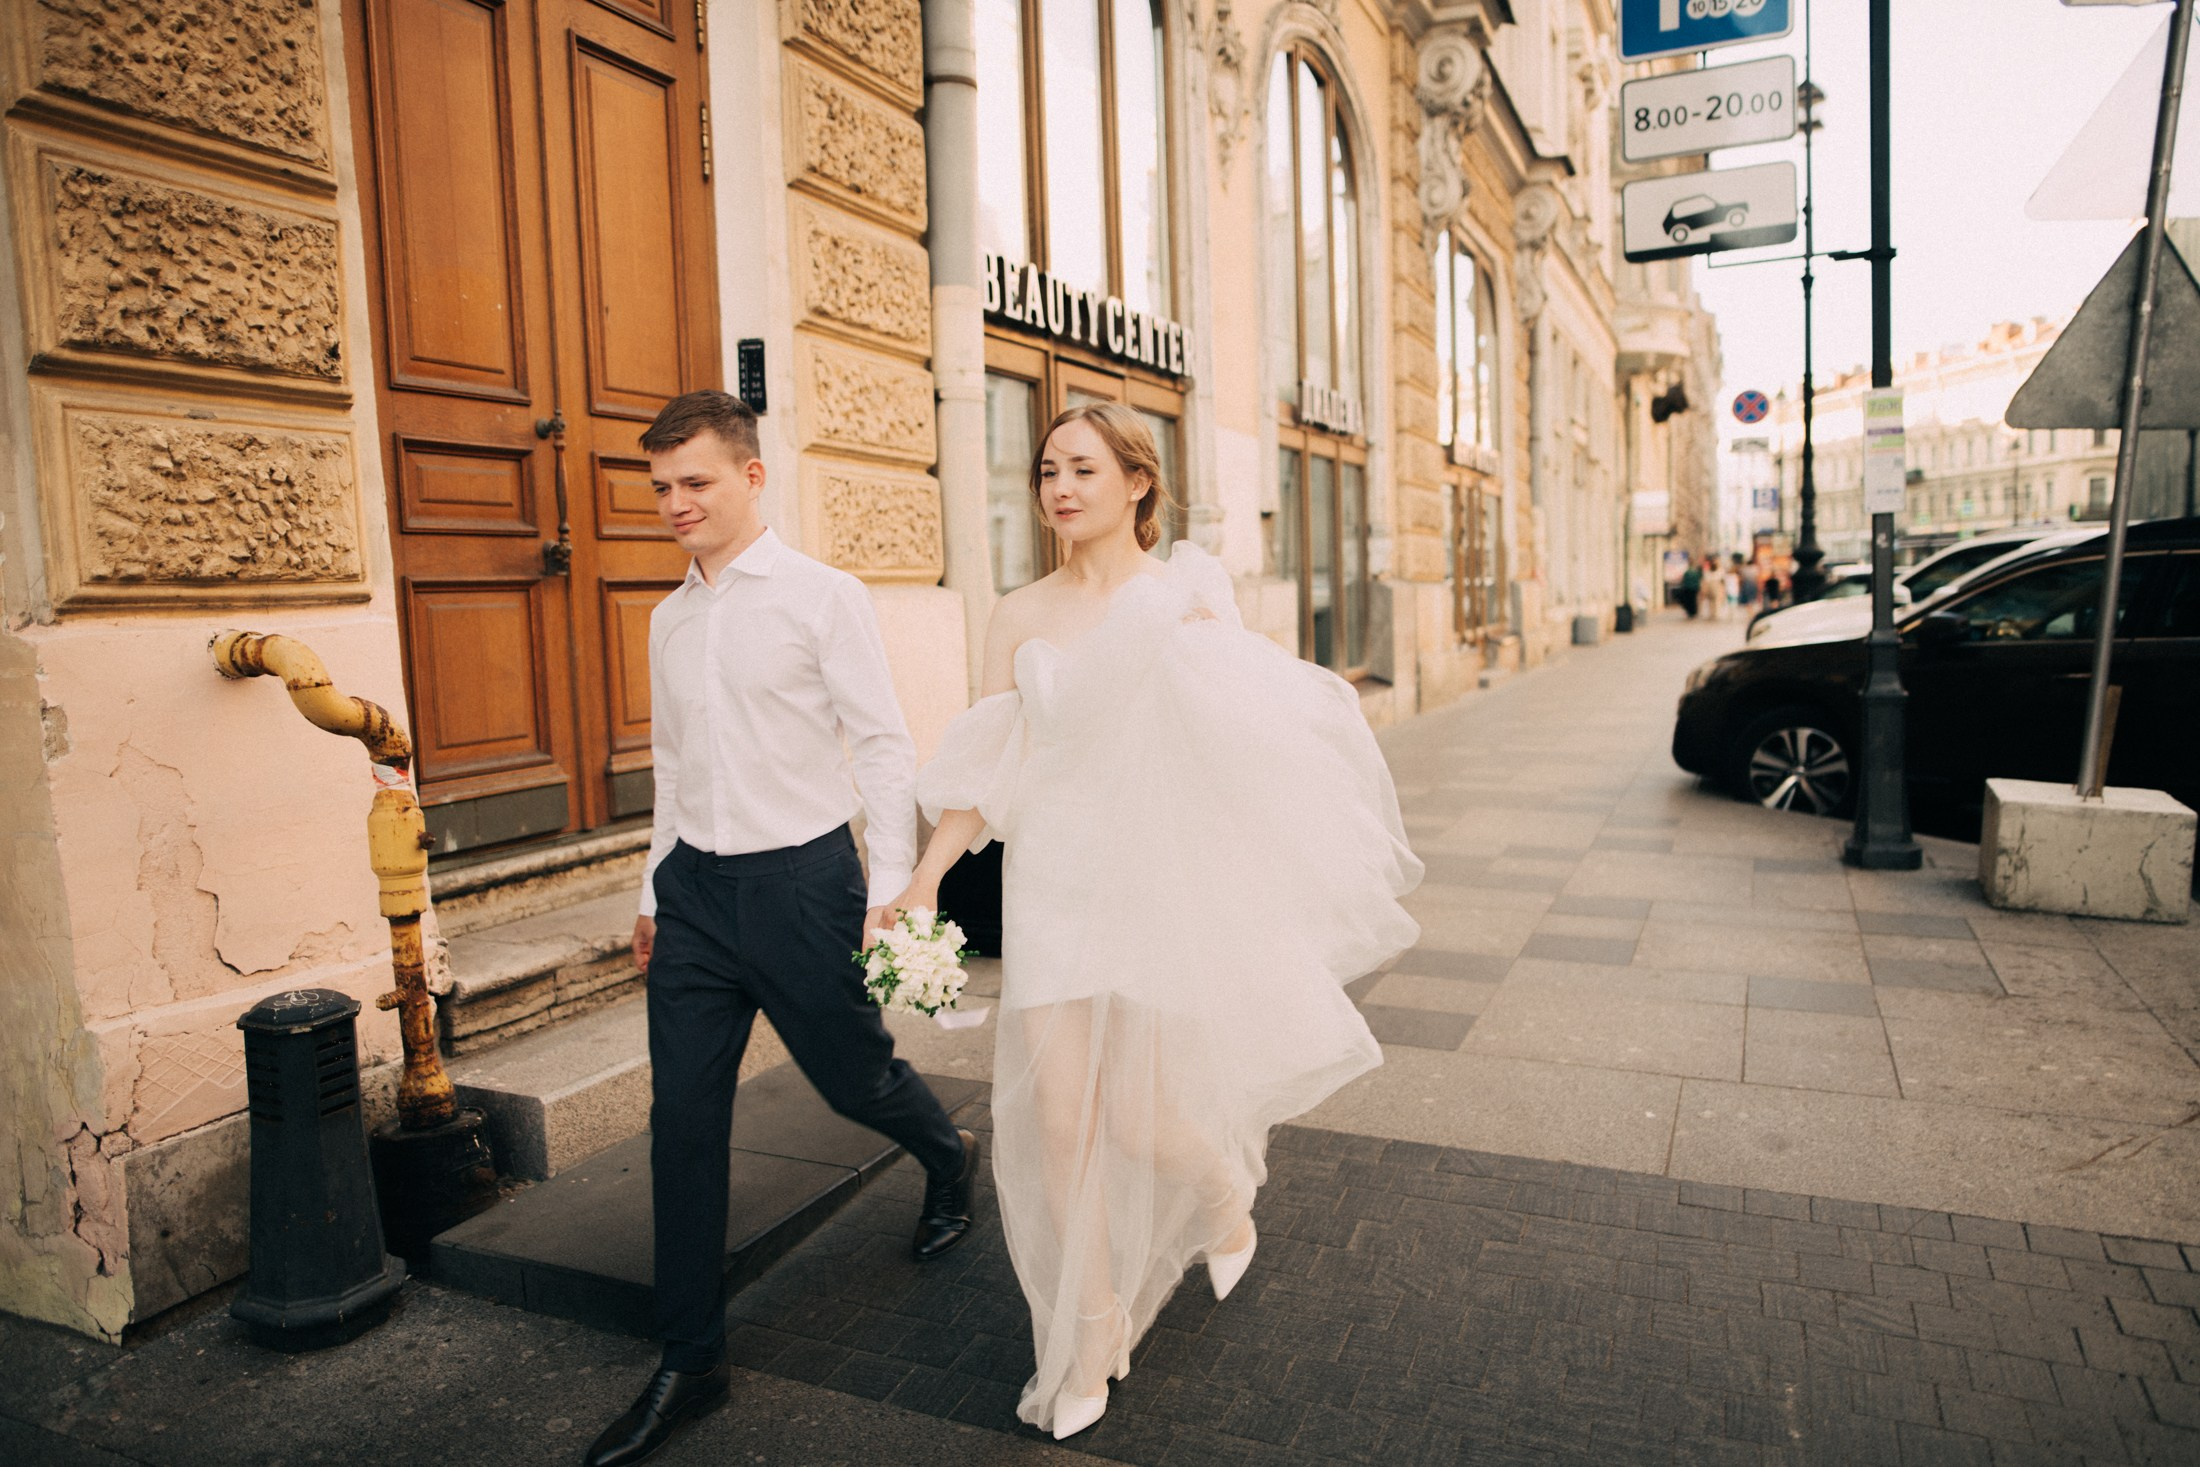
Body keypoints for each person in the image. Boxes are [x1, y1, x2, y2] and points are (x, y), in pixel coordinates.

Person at [892, 403, 1419, 1440]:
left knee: (1134, 1120)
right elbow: (990, 759)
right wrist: (921, 882)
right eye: (1046, 469)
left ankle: (1223, 1191)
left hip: (1146, 883)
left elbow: (1246, 741)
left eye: (1083, 468)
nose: (1060, 487)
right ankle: (1090, 1334)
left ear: (1138, 482)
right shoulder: (1016, 611)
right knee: (1055, 1119)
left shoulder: (1182, 598)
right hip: (1052, 882)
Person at [583, 392, 980, 1467]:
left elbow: (883, 744)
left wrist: (888, 885)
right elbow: (672, 769)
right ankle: (690, 1360)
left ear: (753, 477)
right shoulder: (669, 618)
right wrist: (653, 894)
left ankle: (948, 1158)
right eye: (661, 486)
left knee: (854, 1081)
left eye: (695, 482)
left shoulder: (822, 597)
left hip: (805, 884)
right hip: (698, 899)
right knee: (683, 1123)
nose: (674, 504)